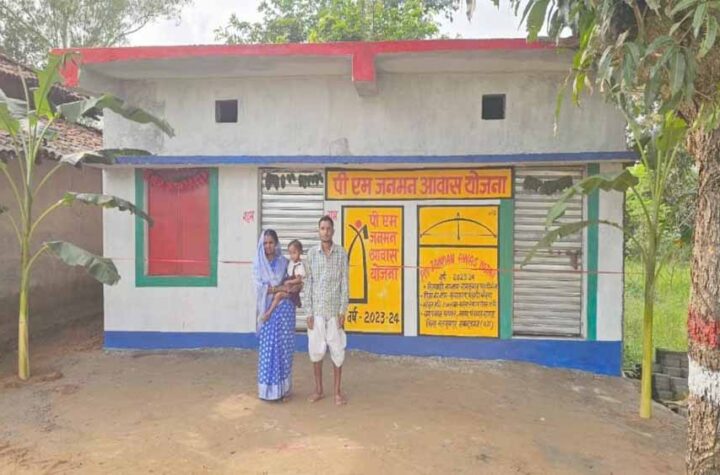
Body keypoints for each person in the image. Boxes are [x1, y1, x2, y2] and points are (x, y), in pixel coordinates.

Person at [303, 215, 349, 406]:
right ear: (318, 231)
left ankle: (337, 392)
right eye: (322, 228)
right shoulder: (312, 254)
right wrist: (308, 312)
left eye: (328, 228)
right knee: (316, 352)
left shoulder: (341, 253)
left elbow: (344, 283)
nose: (325, 232)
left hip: (334, 313)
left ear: (333, 231)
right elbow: (308, 284)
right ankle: (319, 390)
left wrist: (342, 311)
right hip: (317, 312)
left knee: (338, 352)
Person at [252, 229, 300, 401]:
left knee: (284, 349)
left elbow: (295, 285)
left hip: (285, 311)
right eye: (265, 243)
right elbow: (260, 289)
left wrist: (284, 289)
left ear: (276, 244)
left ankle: (284, 390)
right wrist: (279, 288)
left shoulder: (284, 263)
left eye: (271, 242)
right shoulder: (258, 265)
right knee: (268, 349)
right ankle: (268, 391)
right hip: (268, 311)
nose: (268, 246)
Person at [263, 240, 305, 321]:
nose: (292, 256)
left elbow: (299, 279)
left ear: (300, 252)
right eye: (290, 253)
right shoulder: (291, 262)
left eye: (294, 253)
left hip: (292, 291)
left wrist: (290, 282)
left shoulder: (300, 265)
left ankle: (269, 313)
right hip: (287, 285)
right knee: (275, 295)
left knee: (278, 295)